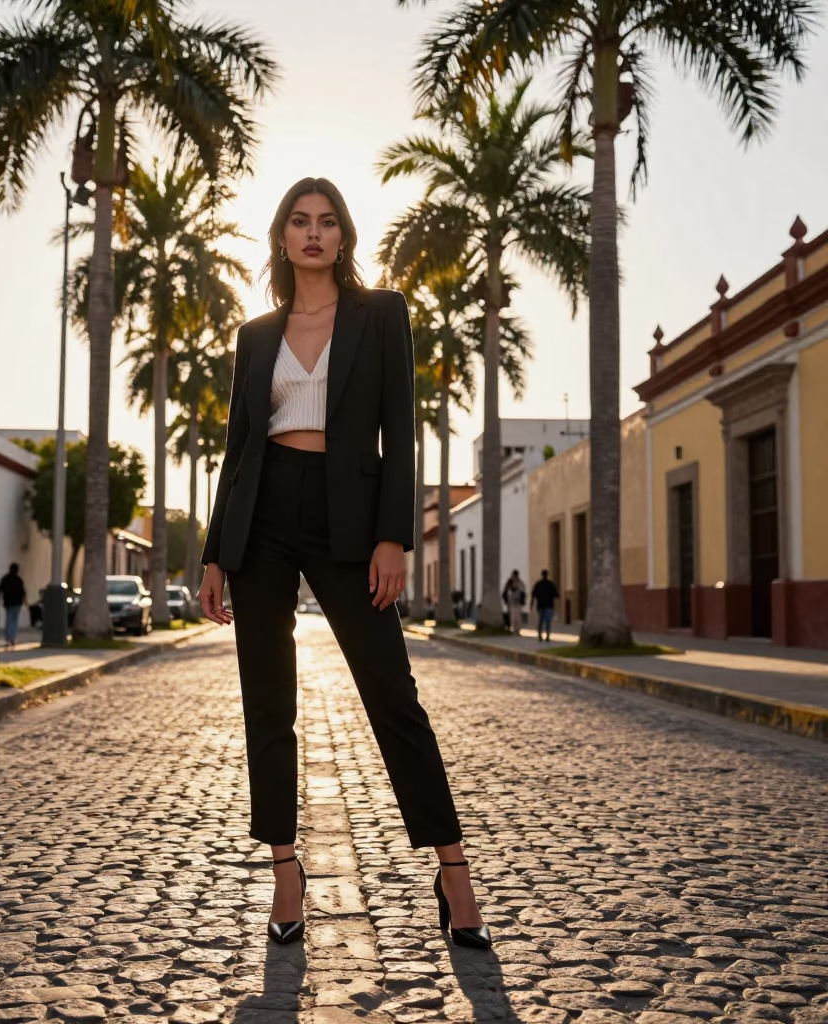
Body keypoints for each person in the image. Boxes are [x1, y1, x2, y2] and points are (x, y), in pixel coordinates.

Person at [197, 178, 489, 951]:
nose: (314, 233)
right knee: (268, 701)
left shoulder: (382, 314)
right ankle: (285, 871)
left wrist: (394, 535)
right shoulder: (256, 335)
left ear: (343, 236)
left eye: (327, 222)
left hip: (350, 519)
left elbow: (402, 428)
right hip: (262, 516)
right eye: (300, 221)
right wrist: (216, 554)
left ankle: (454, 871)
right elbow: (237, 449)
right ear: (282, 236)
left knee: (393, 694)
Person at [0, 563, 26, 648]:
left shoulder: (5, 579)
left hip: (8, 602)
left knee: (8, 620)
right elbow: (23, 592)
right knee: (14, 621)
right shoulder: (19, 580)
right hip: (17, 603)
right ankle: (12, 637)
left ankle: (8, 637)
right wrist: (24, 601)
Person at [531, 569, 560, 642]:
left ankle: (540, 635)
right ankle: (547, 636)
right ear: (547, 575)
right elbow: (556, 595)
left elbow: (533, 595)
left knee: (541, 621)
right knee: (548, 621)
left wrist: (531, 603)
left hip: (540, 605)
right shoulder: (551, 584)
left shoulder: (538, 584)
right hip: (549, 605)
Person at [502, 570, 526, 636]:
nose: (514, 577)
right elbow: (505, 592)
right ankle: (513, 630)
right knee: (512, 617)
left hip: (518, 602)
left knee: (518, 617)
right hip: (511, 602)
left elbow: (523, 592)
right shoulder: (509, 583)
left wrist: (523, 601)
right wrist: (506, 601)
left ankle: (518, 630)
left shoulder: (520, 583)